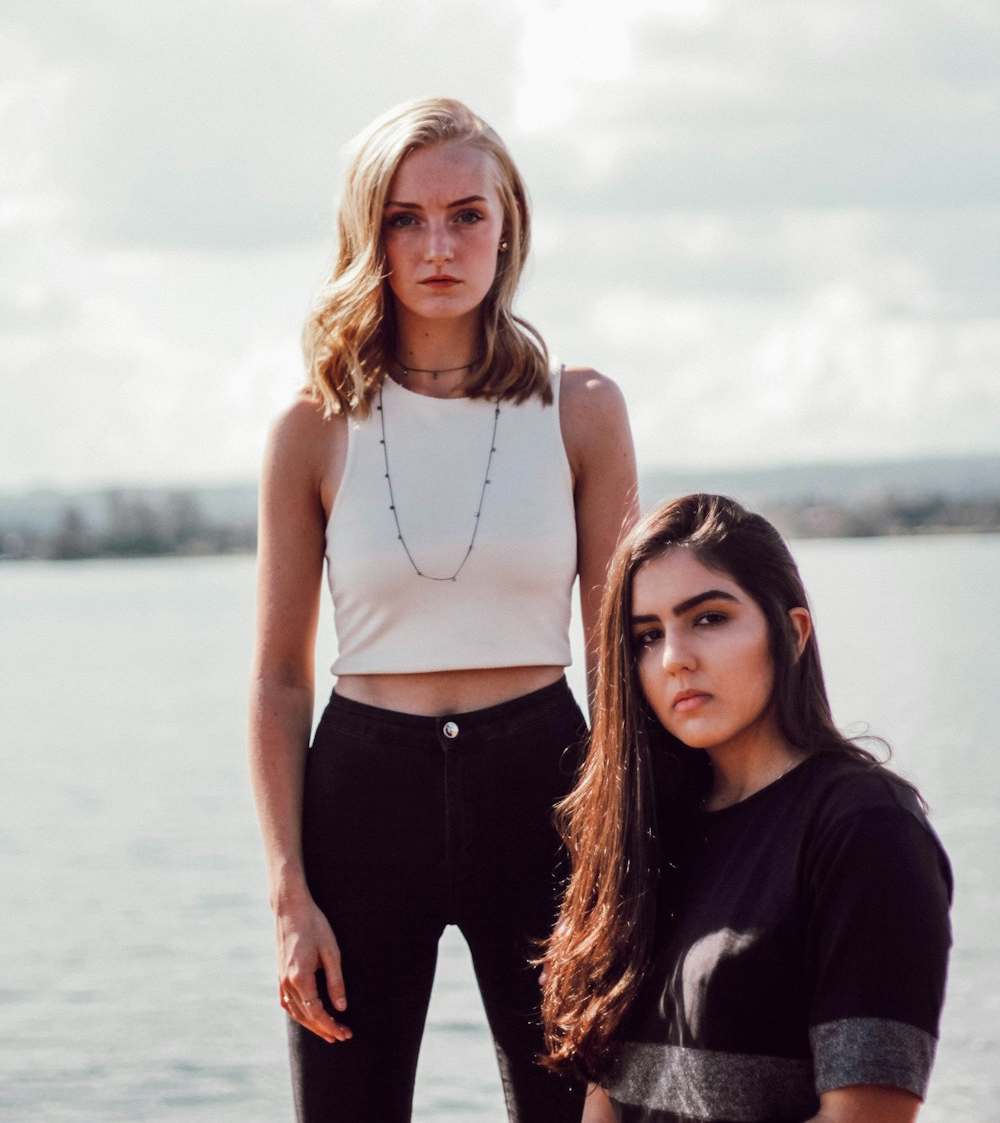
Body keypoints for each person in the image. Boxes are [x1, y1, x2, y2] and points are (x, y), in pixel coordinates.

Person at [248, 97, 637, 1123]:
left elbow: (621, 653)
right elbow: (280, 677)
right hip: (361, 799)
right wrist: (290, 895)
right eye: (405, 218)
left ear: (508, 223)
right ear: (366, 231)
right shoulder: (311, 427)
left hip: (548, 789)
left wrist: (631, 844)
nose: (437, 245)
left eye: (466, 214)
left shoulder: (582, 407)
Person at [541, 493, 952, 1123]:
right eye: (647, 637)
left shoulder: (867, 828)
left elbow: (863, 1118)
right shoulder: (641, 833)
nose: (675, 657)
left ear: (791, 631)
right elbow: (604, 1105)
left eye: (708, 618)